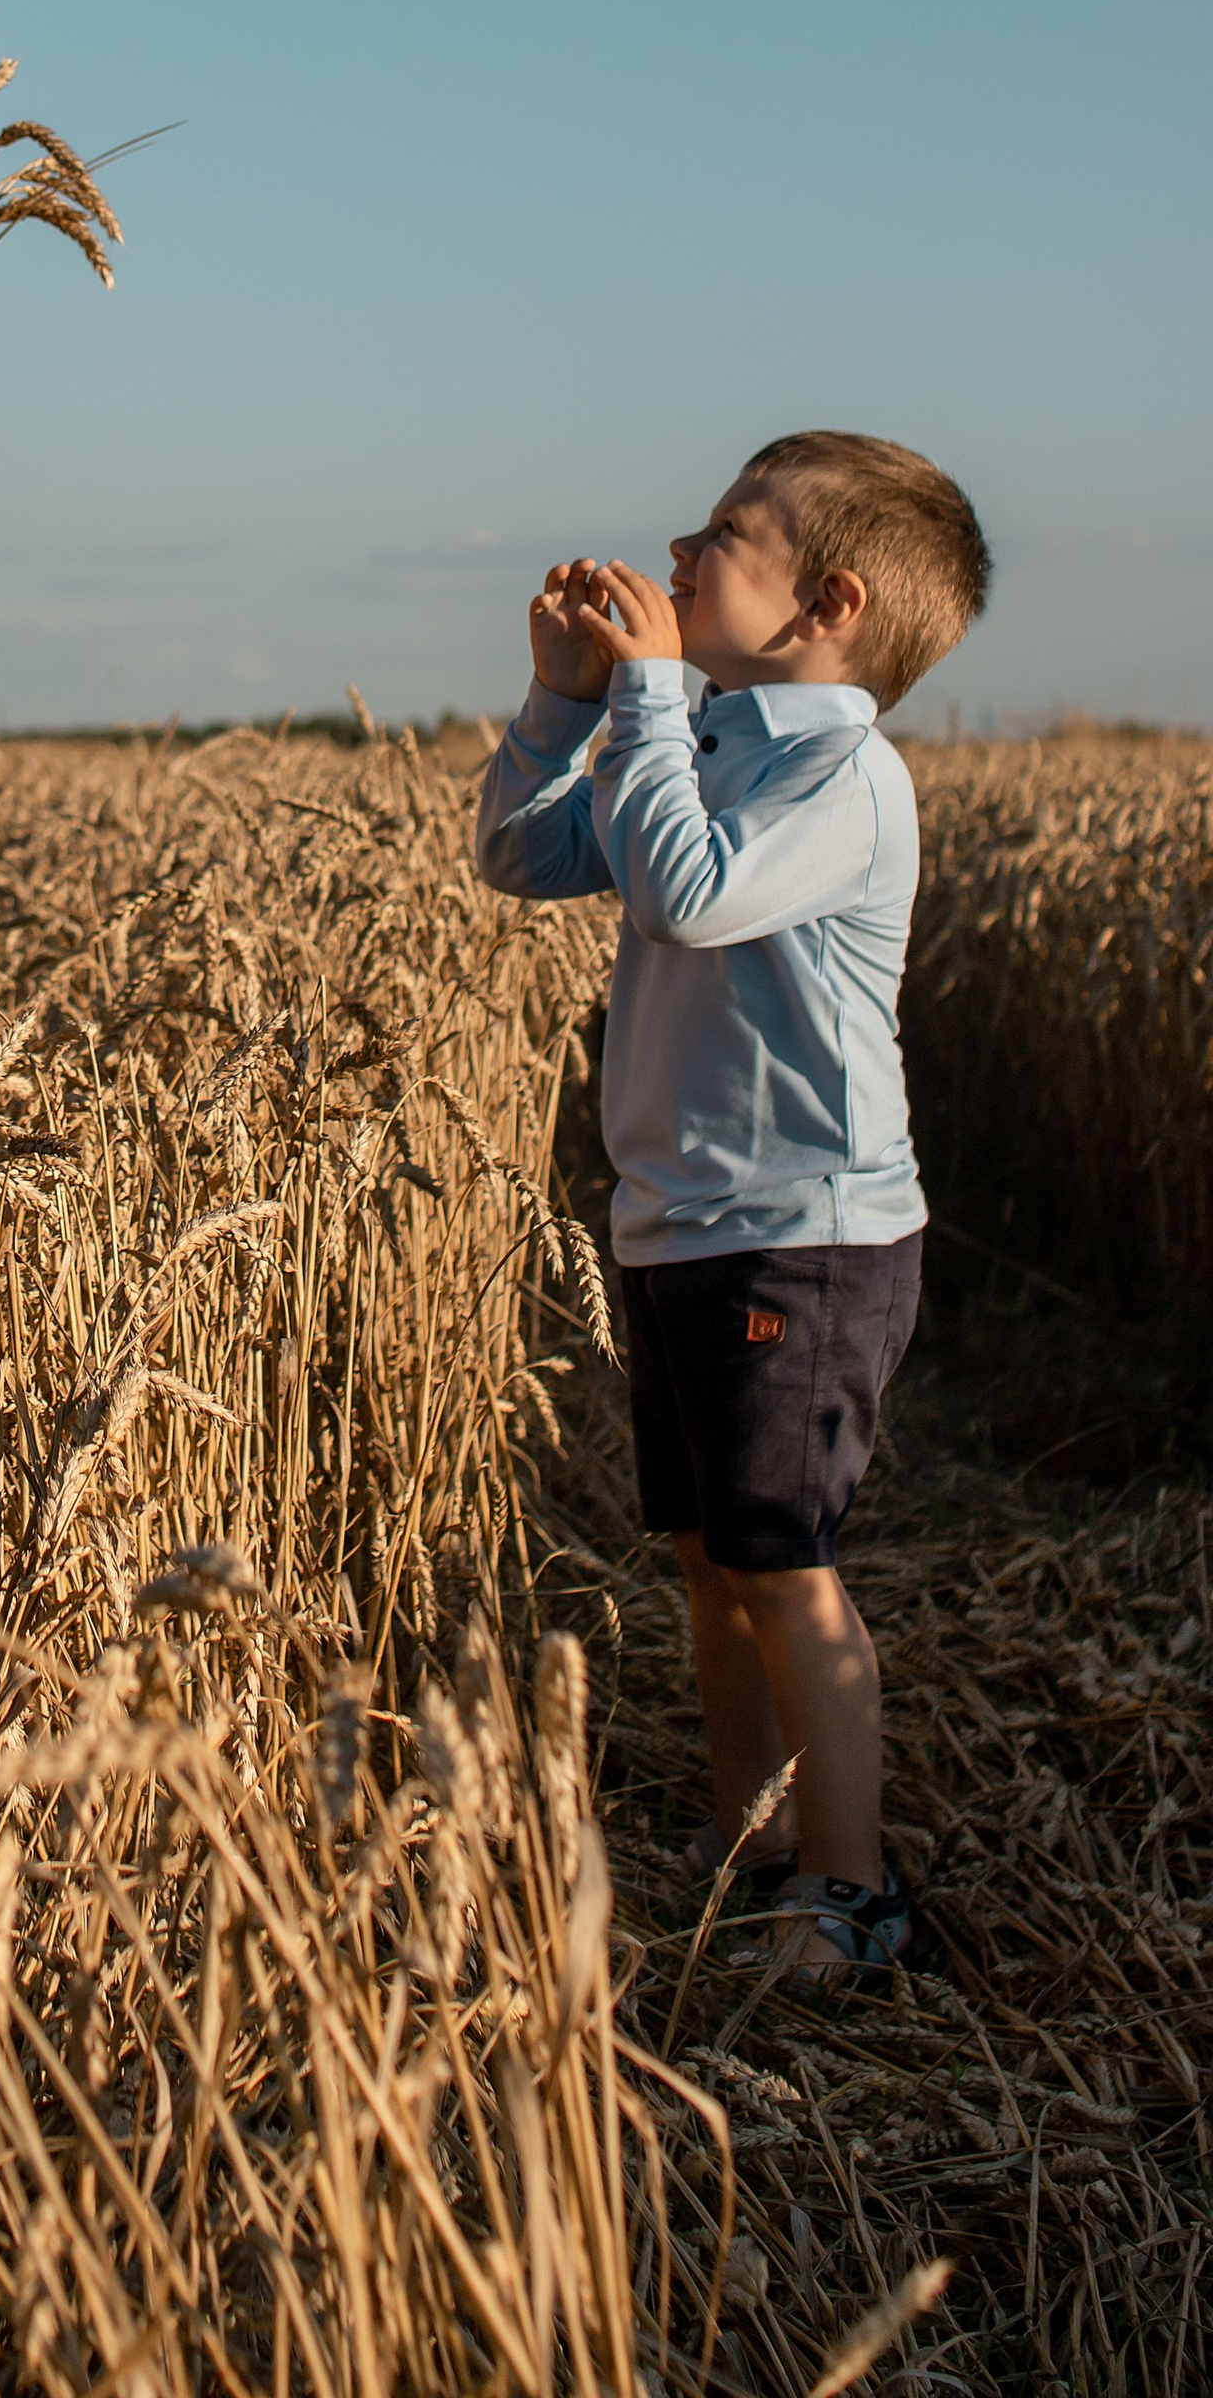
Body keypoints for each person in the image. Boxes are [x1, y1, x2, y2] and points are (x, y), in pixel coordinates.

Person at [473, 432, 991, 1984]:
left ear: (827, 605)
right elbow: (518, 854)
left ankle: (851, 1891)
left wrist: (641, 699)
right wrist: (566, 700)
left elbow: (683, 895)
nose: (680, 554)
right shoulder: (703, 743)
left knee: (783, 1563)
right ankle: (754, 1833)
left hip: (801, 1236)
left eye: (724, 536)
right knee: (710, 1555)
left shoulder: (844, 779)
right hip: (685, 1223)